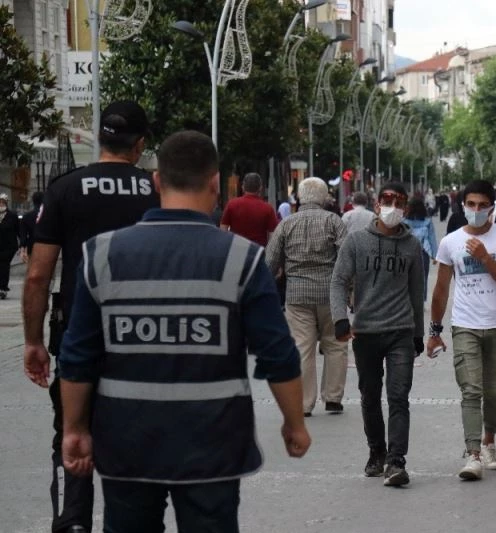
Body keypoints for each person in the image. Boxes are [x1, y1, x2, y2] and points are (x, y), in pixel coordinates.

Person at [56, 130, 310, 532]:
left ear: (157, 181)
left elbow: (77, 357)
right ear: (215, 182)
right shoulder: (242, 259)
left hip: (126, 441)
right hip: (213, 444)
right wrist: (294, 423)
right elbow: (278, 354)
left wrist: (74, 429)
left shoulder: (101, 254)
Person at [22, 100, 159, 533]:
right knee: (137, 434)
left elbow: (38, 274)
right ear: (140, 144)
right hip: (143, 335)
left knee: (70, 427)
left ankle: (73, 521)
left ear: (101, 138)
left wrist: (33, 341)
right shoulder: (155, 190)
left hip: (78, 333)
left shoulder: (65, 188)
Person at [330, 183, 425, 487]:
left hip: (400, 331)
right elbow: (338, 281)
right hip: (366, 331)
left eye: (399, 202)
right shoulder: (356, 241)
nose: (393, 207)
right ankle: (377, 452)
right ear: (376, 205)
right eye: (387, 201)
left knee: (398, 396)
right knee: (370, 396)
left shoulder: (412, 246)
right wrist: (340, 320)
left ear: (406, 208)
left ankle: (396, 461)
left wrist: (419, 333)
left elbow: (417, 292)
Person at [429, 179, 496, 481]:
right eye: (471, 204)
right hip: (465, 325)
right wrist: (434, 331)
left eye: (482, 205)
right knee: (471, 390)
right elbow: (441, 289)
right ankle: (473, 454)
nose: (476, 209)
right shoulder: (450, 241)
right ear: (463, 206)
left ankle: (489, 441)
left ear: (492, 208)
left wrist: (484, 257)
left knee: (493, 392)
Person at [266, 177, 348, 417]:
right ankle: (333, 398)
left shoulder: (286, 224)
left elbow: (270, 262)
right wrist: (351, 290)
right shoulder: (334, 221)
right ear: (324, 198)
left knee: (302, 347)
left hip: (297, 295)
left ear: (300, 197)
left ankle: (304, 403)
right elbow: (347, 258)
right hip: (331, 294)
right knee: (336, 345)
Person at [220, 172, 279, 247]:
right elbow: (273, 236)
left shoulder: (231, 205)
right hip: (258, 250)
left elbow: (223, 229)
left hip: (236, 249)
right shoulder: (268, 208)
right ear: (260, 188)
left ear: (243, 187)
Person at [404, 196, 438, 300]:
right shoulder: (428, 221)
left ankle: (409, 298)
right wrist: (435, 255)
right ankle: (421, 299)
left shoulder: (404, 221)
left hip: (407, 252)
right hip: (423, 252)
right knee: (423, 277)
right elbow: (432, 238)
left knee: (408, 277)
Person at [0, 193, 20, 299]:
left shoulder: (12, 215)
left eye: (3, 202)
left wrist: (23, 244)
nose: (1, 204)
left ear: (6, 203)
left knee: (4, 265)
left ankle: (3, 288)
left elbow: (18, 230)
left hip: (8, 247)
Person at [20, 191, 44, 263]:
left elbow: (23, 235)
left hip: (32, 245)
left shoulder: (26, 216)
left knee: (32, 267)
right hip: (47, 245)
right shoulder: (49, 215)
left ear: (33, 201)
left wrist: (22, 249)